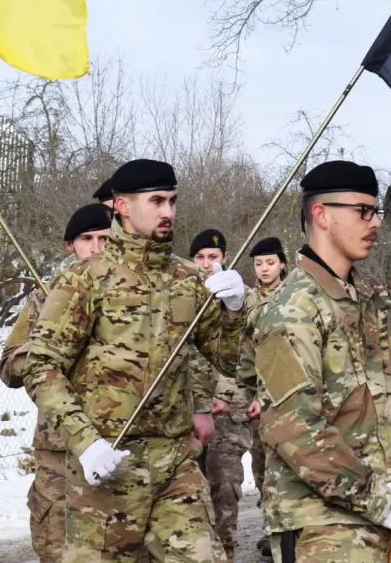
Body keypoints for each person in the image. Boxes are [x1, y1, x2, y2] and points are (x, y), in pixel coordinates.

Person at [249, 160, 391, 562]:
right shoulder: (291, 310)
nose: (375, 222)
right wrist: (378, 500)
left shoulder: (375, 302)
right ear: (321, 215)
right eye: (363, 211)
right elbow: (294, 431)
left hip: (385, 515)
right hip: (322, 527)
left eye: (375, 211)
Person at [24, 159, 247, 562]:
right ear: (123, 206)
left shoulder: (187, 279)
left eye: (173, 201)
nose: (168, 212)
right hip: (108, 467)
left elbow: (228, 361)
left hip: (174, 463)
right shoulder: (83, 280)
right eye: (157, 201)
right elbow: (41, 367)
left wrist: (233, 311)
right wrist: (85, 442)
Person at [0, 202, 112, 563]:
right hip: (59, 448)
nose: (96, 247)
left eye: (105, 239)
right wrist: (47, 346)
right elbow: (9, 367)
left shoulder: (134, 298)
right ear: (71, 246)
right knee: (57, 546)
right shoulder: (46, 298)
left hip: (118, 443)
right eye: (87, 239)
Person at [189, 228, 252, 563]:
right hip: (190, 405)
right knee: (189, 485)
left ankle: (226, 548)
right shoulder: (185, 298)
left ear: (224, 257)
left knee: (224, 482)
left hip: (229, 409)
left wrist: (225, 394)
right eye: (199, 257)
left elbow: (247, 352)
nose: (206, 264)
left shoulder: (241, 298)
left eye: (213, 257)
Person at [239, 236, 288, 560]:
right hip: (261, 400)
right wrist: (249, 394)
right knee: (262, 469)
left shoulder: (294, 297)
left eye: (270, 262)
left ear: (282, 263)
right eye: (259, 263)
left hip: (290, 396)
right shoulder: (249, 302)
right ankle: (271, 529)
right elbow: (245, 355)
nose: (265, 268)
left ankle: (287, 533)